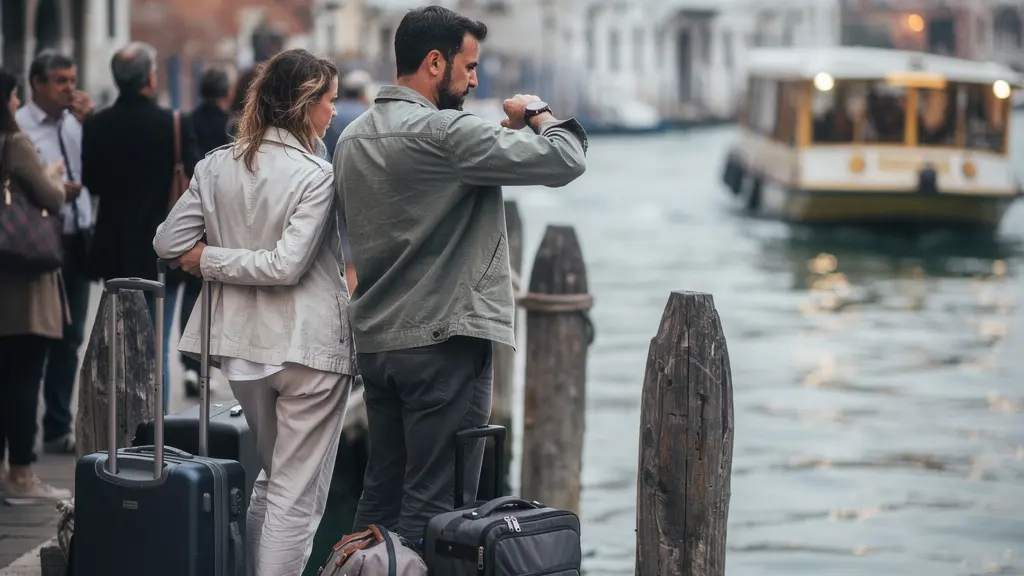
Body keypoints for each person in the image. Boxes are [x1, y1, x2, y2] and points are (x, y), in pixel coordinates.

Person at [336, 5, 588, 544]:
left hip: (379, 343)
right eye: (469, 67)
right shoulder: (448, 133)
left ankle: (350, 569)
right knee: (439, 504)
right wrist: (537, 111)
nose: (474, 80)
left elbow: (428, 177)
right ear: (435, 62)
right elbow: (566, 159)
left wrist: (494, 137)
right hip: (442, 343)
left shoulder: (354, 136)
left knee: (380, 494)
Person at [153, 48, 354, 576]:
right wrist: (211, 259)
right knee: (297, 495)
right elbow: (287, 265)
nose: (334, 112)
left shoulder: (216, 164)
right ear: (305, 103)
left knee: (274, 479)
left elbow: (167, 242)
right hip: (309, 349)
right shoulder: (317, 174)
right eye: (329, 101)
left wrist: (207, 258)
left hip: (243, 351)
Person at [82, 42, 201, 407]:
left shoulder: (97, 124)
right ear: (150, 78)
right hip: (162, 249)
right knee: (156, 345)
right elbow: (195, 182)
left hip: (116, 249)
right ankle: (153, 427)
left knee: (120, 346)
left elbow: (92, 183)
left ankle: (122, 424)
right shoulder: (174, 123)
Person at [0, 68, 75, 504]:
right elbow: (51, 196)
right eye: (13, 96)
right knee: (25, 377)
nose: (16, 102)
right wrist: (52, 175)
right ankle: (22, 474)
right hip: (23, 282)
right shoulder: (14, 143)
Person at [15, 50, 95, 454]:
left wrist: (91, 123)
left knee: (71, 336)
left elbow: (96, 167)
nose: (69, 89)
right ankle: (22, 431)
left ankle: (57, 425)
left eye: (72, 80)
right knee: (36, 338)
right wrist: (51, 189)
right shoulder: (20, 126)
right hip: (36, 244)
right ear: (37, 83)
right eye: (61, 81)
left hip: (76, 238)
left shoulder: (75, 123)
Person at [176, 64, 236, 398]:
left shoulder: (187, 121)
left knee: (189, 293)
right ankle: (208, 363)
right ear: (226, 92)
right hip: (223, 218)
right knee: (214, 293)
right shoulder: (232, 125)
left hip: (192, 213)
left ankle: (188, 364)